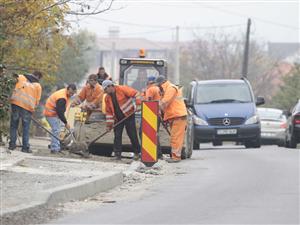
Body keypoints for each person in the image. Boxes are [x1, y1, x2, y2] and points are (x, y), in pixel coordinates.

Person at [102, 80, 141, 160]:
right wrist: (109, 125)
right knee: (117, 136)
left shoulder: (122, 89)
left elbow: (137, 94)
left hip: (129, 115)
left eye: (105, 89)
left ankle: (137, 152)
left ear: (110, 86)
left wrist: (138, 104)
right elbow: (109, 112)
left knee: (132, 135)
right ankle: (117, 154)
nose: (105, 92)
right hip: (118, 118)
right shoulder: (107, 98)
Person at [155, 75, 187, 163]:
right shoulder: (166, 89)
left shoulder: (170, 88)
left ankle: (176, 157)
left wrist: (153, 107)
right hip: (175, 116)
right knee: (175, 137)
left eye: (158, 85)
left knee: (175, 138)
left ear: (161, 83)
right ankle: (175, 156)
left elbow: (164, 102)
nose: (158, 88)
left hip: (178, 116)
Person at [9, 71, 43, 152]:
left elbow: (11, 84)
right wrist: (33, 108)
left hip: (16, 104)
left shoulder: (20, 77)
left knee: (14, 126)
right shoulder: (38, 86)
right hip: (27, 108)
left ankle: (12, 145)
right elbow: (37, 101)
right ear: (38, 77)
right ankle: (25, 148)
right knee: (26, 128)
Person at [43, 84, 77, 153]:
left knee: (57, 130)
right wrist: (66, 123)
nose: (71, 95)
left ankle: (56, 146)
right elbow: (60, 112)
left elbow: (60, 111)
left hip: (54, 114)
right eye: (70, 93)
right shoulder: (62, 98)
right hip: (51, 114)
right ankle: (55, 148)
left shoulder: (64, 93)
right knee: (56, 130)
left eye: (72, 93)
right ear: (67, 89)